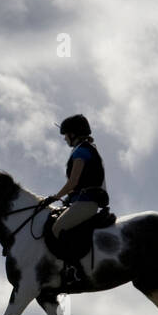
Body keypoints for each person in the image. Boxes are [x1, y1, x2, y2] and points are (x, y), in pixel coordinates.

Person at [44, 114, 108, 278]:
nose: (65, 138)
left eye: (66, 135)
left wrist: (55, 196)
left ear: (74, 134)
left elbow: (73, 182)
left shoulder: (82, 152)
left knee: (58, 228)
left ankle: (73, 268)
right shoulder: (84, 149)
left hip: (86, 203)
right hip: (80, 201)